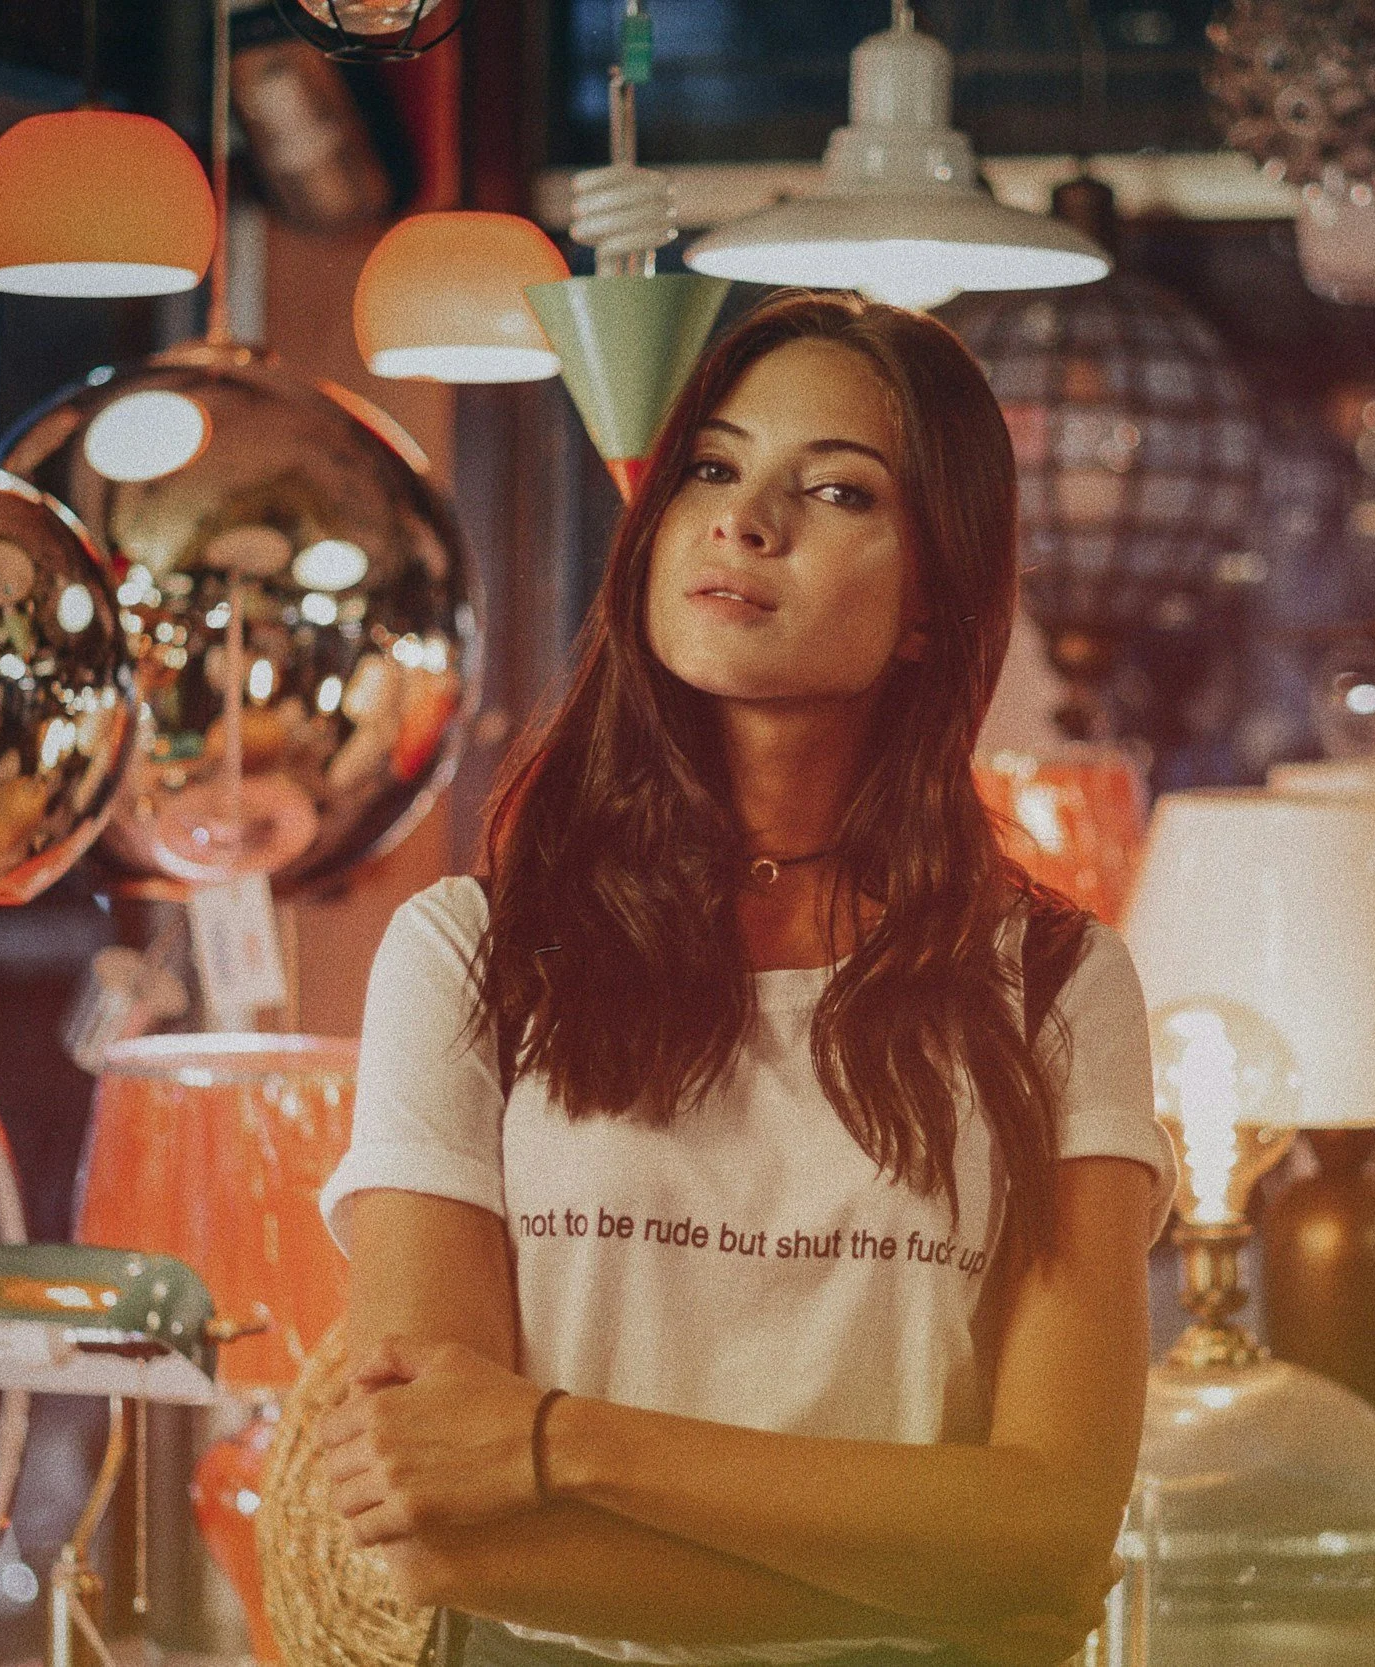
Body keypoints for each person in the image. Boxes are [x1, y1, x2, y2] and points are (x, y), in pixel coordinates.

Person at [314, 292, 1176, 1667]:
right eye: (712, 467)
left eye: (836, 490)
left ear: (930, 604)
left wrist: (555, 1441)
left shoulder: (1056, 986)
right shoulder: (471, 956)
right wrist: (952, 1584)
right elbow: (435, 1524)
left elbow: (1056, 1531)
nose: (745, 519)